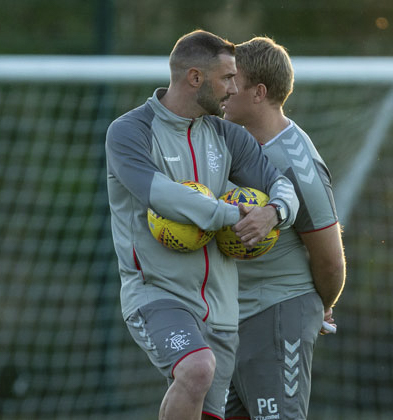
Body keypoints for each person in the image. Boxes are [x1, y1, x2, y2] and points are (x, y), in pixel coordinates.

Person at [105, 29, 299, 420]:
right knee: (196, 369)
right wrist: (233, 215)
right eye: (227, 78)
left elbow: (282, 185)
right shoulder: (130, 132)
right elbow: (162, 195)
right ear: (195, 78)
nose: (234, 88)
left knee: (206, 395)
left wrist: (274, 212)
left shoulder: (230, 136)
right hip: (157, 296)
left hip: (222, 310)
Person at [221, 37, 346, 420]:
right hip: (229, 320)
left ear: (259, 93)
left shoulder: (297, 163)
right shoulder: (225, 142)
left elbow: (330, 260)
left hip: (277, 314)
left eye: (232, 81)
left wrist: (320, 307)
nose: (223, 90)